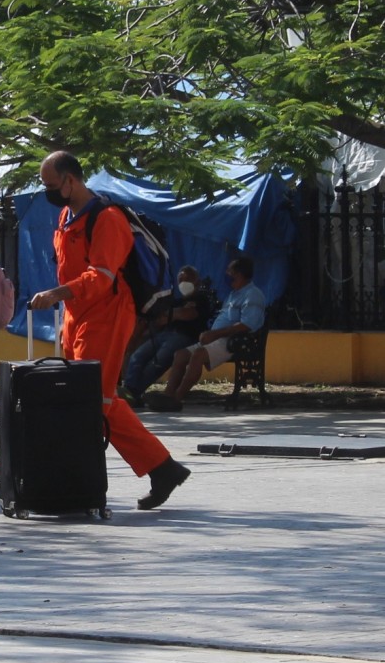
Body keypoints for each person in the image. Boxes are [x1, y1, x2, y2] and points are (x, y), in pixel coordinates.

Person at [29, 151, 191, 510]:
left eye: (52, 185)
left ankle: (154, 468)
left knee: (95, 400)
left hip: (107, 313)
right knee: (89, 400)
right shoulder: (65, 215)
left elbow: (101, 278)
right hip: (77, 316)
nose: (48, 192)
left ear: (71, 180)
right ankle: (161, 468)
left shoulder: (108, 218)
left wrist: (57, 293)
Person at [145, 256, 266, 412]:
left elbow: (247, 325)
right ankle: (167, 396)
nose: (226, 274)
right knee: (180, 355)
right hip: (217, 338)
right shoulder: (234, 294)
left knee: (198, 355)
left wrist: (215, 334)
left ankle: (177, 399)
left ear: (239, 274)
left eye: (229, 271)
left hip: (233, 341)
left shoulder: (252, 294)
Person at [118, 265, 217, 407]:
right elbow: (161, 319)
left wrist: (173, 314)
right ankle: (129, 391)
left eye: (187, 278)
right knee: (137, 356)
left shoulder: (202, 298)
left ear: (196, 281)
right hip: (165, 334)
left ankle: (132, 393)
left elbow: (189, 314)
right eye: (180, 279)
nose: (183, 282)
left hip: (185, 336)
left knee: (158, 360)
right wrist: (176, 313)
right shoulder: (177, 301)